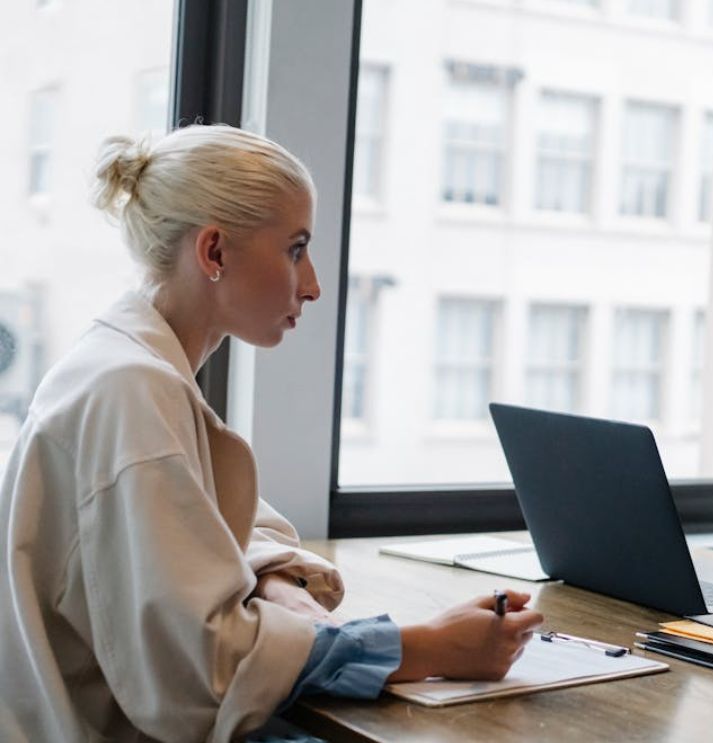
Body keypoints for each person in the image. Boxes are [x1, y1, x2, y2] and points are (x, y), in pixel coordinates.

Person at [0, 124, 544, 741]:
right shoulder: (131, 390)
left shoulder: (123, 366)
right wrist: (428, 648)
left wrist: (275, 580)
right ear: (214, 253)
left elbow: (209, 530)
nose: (311, 285)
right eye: (295, 249)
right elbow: (205, 673)